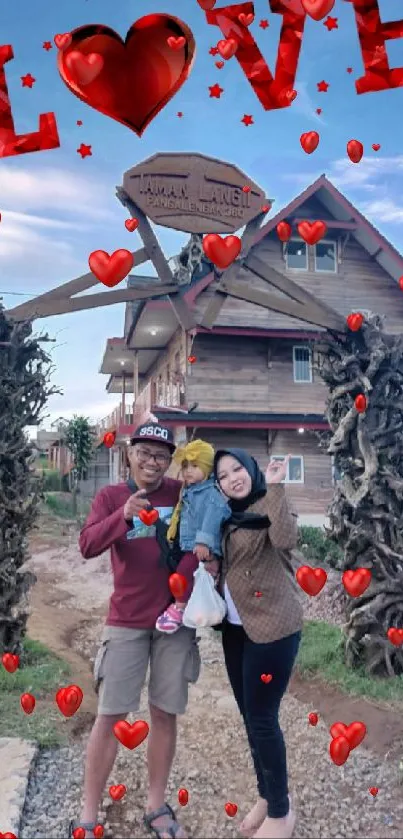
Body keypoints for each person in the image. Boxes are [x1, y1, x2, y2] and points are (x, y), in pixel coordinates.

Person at [71, 422, 201, 839]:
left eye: (161, 455)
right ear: (129, 454)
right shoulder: (111, 496)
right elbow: (87, 545)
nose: (152, 461)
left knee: (164, 713)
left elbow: (208, 525)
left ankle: (156, 805)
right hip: (125, 620)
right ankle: (88, 814)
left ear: (170, 460)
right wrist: (121, 517)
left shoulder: (182, 493)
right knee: (110, 716)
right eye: (144, 452)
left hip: (174, 622)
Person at [213, 449, 303, 839]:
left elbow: (285, 539)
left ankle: (282, 814)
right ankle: (268, 797)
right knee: (251, 716)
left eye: (237, 469)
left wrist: (278, 484)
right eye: (223, 476)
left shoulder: (269, 502)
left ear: (251, 470)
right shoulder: (225, 516)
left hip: (274, 629)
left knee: (263, 719)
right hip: (236, 629)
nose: (232, 478)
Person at [155, 439, 231, 633]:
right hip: (190, 545)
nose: (188, 471)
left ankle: (179, 608)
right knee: (189, 576)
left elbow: (213, 516)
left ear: (207, 468)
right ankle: (189, 605)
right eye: (186, 466)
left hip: (200, 548)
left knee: (183, 574)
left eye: (195, 466)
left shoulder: (210, 494)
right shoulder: (191, 490)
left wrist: (204, 542)